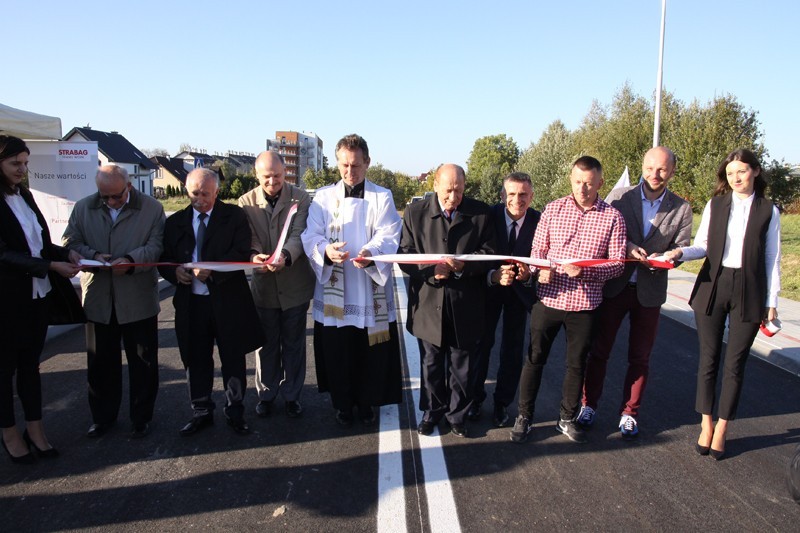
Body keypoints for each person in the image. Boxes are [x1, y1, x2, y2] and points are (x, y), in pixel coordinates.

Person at [664, 148, 780, 460]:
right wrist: (680, 254)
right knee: (708, 359)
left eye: (741, 171)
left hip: (750, 289)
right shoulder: (716, 204)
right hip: (713, 285)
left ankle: (723, 427)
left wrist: (772, 302)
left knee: (736, 364)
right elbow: (701, 246)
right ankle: (705, 423)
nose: (736, 177)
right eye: (730, 174)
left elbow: (772, 259)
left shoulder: (769, 210)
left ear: (755, 171)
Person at [578, 147, 692, 439]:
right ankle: (588, 405)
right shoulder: (619, 197)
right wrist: (626, 246)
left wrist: (668, 256)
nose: (655, 174)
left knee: (640, 357)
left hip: (650, 291)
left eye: (663, 169)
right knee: (599, 350)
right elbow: (604, 233)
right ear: (643, 166)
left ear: (672, 171)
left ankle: (630, 413)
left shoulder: (681, 208)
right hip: (615, 286)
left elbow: (680, 247)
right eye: (650, 167)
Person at [510, 156, 626, 444]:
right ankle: (524, 416)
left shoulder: (612, 217)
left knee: (576, 365)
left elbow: (617, 263)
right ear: (570, 180)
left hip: (585, 305)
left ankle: (566, 417)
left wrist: (585, 273)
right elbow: (537, 249)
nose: (582, 189)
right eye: (577, 182)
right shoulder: (553, 209)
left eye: (588, 183)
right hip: (548, 300)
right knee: (534, 359)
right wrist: (540, 269)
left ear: (600, 182)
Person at [301, 134, 403, 427]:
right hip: (335, 287)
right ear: (337, 163)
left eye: (356, 165)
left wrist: (371, 252)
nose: (349, 172)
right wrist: (325, 249)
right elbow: (311, 234)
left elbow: (389, 232)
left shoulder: (381, 196)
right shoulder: (323, 197)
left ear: (367, 162)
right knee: (339, 351)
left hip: (367, 286)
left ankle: (367, 401)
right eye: (344, 165)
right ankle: (342, 404)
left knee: (367, 350)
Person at [159, 168, 263, 436]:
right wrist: (175, 272)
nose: (200, 199)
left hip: (228, 300)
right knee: (195, 359)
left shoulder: (234, 217)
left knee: (233, 357)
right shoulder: (175, 223)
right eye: (194, 193)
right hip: (191, 302)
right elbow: (164, 258)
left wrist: (211, 270)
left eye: (205, 193)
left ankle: (235, 410)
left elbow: (241, 251)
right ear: (186, 190)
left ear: (217, 191)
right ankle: (201, 410)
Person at [64, 164, 164, 439]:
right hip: (98, 298)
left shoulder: (152, 209)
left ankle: (141, 418)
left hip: (138, 298)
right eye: (104, 196)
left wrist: (131, 260)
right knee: (100, 364)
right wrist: (94, 255)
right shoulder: (84, 208)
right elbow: (70, 241)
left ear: (129, 187)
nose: (110, 201)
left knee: (143, 363)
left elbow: (157, 245)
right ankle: (102, 417)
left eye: (116, 196)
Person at [0, 135, 83, 463]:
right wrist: (50, 265)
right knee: (4, 371)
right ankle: (8, 433)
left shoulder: (24, 195)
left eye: (25, 163)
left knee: (30, 368)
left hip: (37, 297)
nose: (22, 169)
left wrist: (66, 253)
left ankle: (35, 429)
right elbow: (4, 254)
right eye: (14, 164)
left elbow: (39, 244)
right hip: (6, 301)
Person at [399, 163, 495, 438]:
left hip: (465, 302)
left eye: (459, 190)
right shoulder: (415, 213)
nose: (453, 197)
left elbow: (490, 253)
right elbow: (405, 254)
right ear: (435, 186)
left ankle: (457, 415)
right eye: (448, 191)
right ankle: (432, 413)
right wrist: (431, 270)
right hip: (428, 302)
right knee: (430, 363)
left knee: (461, 363)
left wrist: (463, 266)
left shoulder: (480, 213)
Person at [238, 151, 315, 419]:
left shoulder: (301, 198)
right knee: (266, 344)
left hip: (295, 284)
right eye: (267, 177)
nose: (273, 182)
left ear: (286, 173)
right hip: (264, 287)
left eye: (278, 176)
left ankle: (292, 395)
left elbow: (300, 234)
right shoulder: (245, 202)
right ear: (257, 176)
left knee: (294, 344)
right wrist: (255, 255)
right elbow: (249, 237)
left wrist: (285, 256)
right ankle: (266, 394)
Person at [469, 172, 540, 428]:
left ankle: (502, 404)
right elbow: (477, 254)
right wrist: (492, 275)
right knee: (481, 345)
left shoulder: (539, 221)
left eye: (523, 194)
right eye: (511, 194)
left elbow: (544, 259)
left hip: (520, 295)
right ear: (502, 196)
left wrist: (529, 274)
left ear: (531, 196)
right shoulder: (487, 217)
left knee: (512, 350)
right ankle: (475, 399)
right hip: (488, 290)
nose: (517, 199)